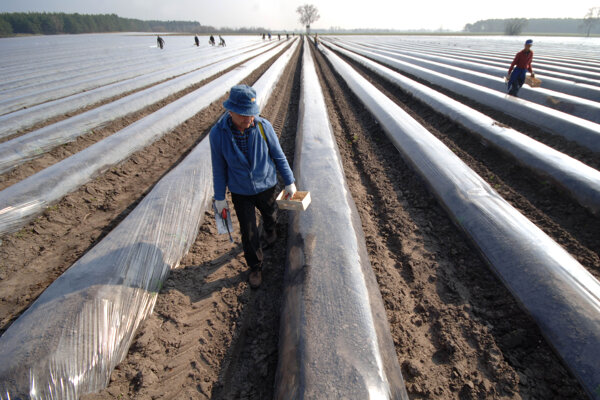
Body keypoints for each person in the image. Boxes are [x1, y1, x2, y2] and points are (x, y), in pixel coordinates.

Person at [210, 85, 296, 288]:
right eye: (243, 115)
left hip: (266, 184)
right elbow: (218, 168)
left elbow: (279, 156)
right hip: (241, 191)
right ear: (230, 111)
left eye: (251, 115)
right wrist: (219, 197)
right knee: (248, 232)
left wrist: (290, 181)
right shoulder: (218, 134)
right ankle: (255, 267)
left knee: (270, 213)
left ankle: (271, 229)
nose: (248, 120)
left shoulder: (263, 127)